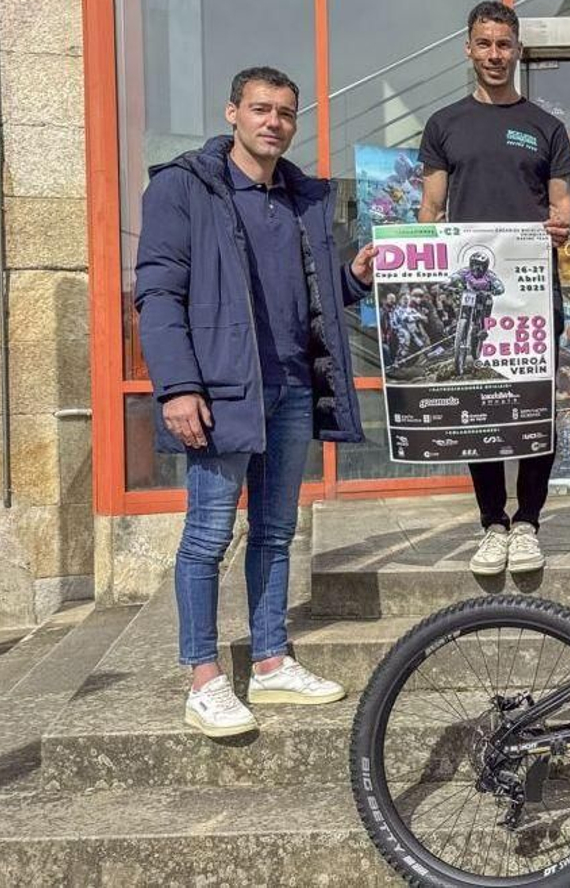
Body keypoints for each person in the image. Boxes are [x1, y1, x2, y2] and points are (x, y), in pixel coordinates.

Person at [135, 66, 375, 738]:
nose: (274, 122)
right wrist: (179, 387)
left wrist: (351, 282)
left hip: (292, 387)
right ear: (232, 112)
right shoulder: (185, 189)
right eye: (261, 109)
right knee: (207, 536)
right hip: (218, 392)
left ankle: (269, 661)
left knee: (275, 533)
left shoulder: (302, 199)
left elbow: (312, 293)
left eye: (286, 113)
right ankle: (204, 678)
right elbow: (157, 295)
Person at [419, 0, 570, 575]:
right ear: (468, 48)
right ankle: (492, 522)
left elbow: (562, 208)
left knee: (535, 405)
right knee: (476, 404)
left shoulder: (546, 127)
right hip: (471, 292)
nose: (494, 54)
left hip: (532, 291)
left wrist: (561, 226)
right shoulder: (444, 125)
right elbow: (431, 210)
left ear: (517, 49)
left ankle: (529, 521)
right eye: (484, 44)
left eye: (503, 44)